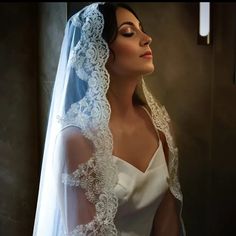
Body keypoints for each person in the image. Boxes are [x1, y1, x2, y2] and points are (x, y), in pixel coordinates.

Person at [33, 2, 185, 236]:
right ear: (98, 52)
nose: (147, 38)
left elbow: (167, 222)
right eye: (128, 32)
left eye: (141, 29)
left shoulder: (160, 125)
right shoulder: (76, 138)